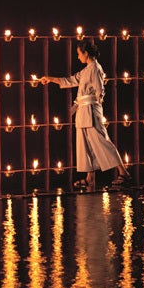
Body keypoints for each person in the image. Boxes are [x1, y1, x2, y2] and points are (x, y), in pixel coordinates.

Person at [40, 40, 131, 190]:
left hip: (91, 110)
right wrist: (50, 79)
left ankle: (124, 173)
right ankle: (90, 178)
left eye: (78, 54)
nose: (78, 57)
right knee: (85, 145)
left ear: (86, 53)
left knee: (102, 141)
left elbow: (99, 91)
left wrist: (95, 106)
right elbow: (70, 80)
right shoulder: (86, 70)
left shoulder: (95, 68)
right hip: (83, 111)